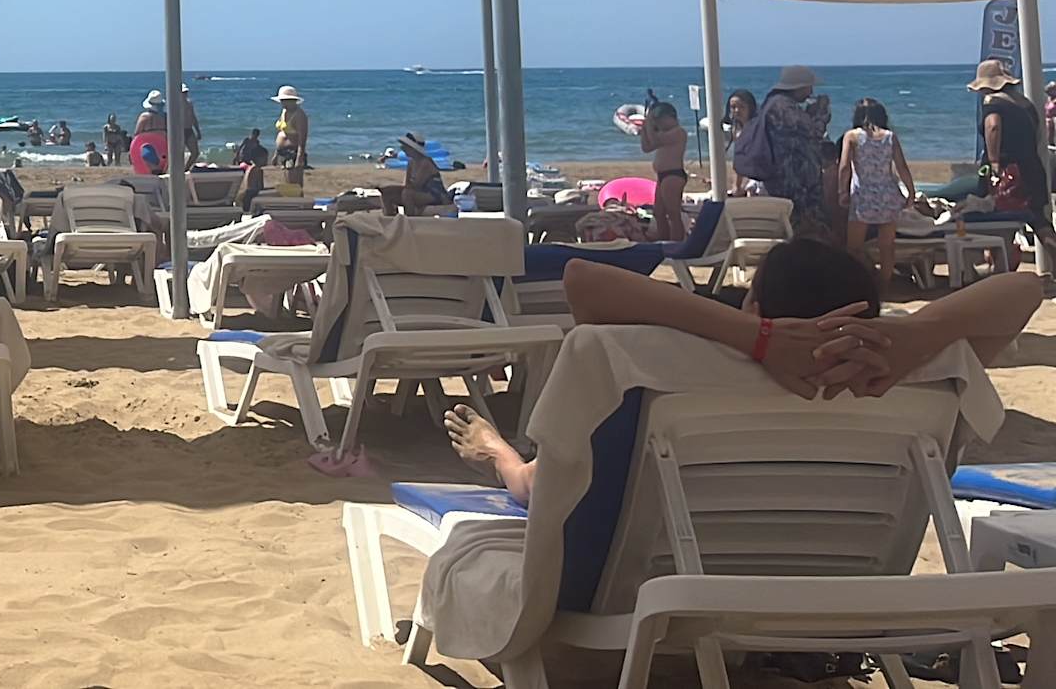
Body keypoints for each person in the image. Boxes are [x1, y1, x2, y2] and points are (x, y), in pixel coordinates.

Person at [443, 243, 1041, 504]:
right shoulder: (903, 371)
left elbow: (583, 280)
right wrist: (915, 334)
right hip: (846, 578)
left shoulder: (691, 364)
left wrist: (754, 338)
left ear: (754, 306)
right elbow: (1023, 289)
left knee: (538, 479)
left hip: (675, 582)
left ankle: (502, 457)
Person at [971, 58, 1053, 257]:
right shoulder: (1024, 104)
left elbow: (993, 126)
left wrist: (994, 162)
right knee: (1039, 220)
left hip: (1008, 171)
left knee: (995, 218)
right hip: (1032, 167)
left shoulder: (993, 102)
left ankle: (999, 264)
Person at [748, 64, 837, 240]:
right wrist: (821, 115)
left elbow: (798, 133)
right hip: (794, 185)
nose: (811, 92)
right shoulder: (782, 107)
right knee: (805, 231)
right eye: (808, 87)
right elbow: (813, 133)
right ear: (798, 87)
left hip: (792, 182)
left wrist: (809, 114)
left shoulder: (778, 104)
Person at [834, 97, 915, 286]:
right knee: (887, 247)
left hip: (863, 197)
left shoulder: (852, 136)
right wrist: (910, 191)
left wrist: (842, 191)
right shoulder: (890, 137)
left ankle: (855, 283)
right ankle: (884, 284)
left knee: (854, 248)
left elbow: (844, 167)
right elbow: (901, 167)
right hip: (888, 195)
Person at [639, 95, 689, 241]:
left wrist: (649, 123)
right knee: (659, 213)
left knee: (673, 213)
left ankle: (676, 243)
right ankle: (664, 241)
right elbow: (647, 147)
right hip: (663, 176)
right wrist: (644, 129)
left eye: (660, 120)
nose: (658, 124)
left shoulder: (679, 132)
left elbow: (655, 140)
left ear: (670, 117)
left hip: (673, 175)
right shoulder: (663, 134)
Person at [382, 133, 449, 215]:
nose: (402, 148)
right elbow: (407, 184)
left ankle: (409, 219)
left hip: (435, 195)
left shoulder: (425, 163)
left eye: (405, 146)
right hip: (420, 191)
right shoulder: (411, 162)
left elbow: (417, 185)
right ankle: (390, 218)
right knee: (387, 192)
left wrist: (402, 190)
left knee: (407, 194)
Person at [129, 92, 172, 176]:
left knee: (149, 167)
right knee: (161, 168)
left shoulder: (144, 117)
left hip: (148, 147)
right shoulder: (166, 117)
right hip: (163, 146)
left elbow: (137, 133)